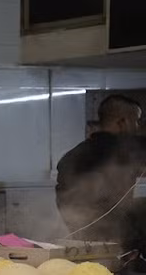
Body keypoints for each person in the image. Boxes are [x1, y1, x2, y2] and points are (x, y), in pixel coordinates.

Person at [56, 94, 144, 242]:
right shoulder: (128, 150)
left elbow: (64, 203)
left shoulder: (70, 157)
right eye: (136, 121)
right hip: (120, 240)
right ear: (122, 122)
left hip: (82, 238)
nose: (138, 126)